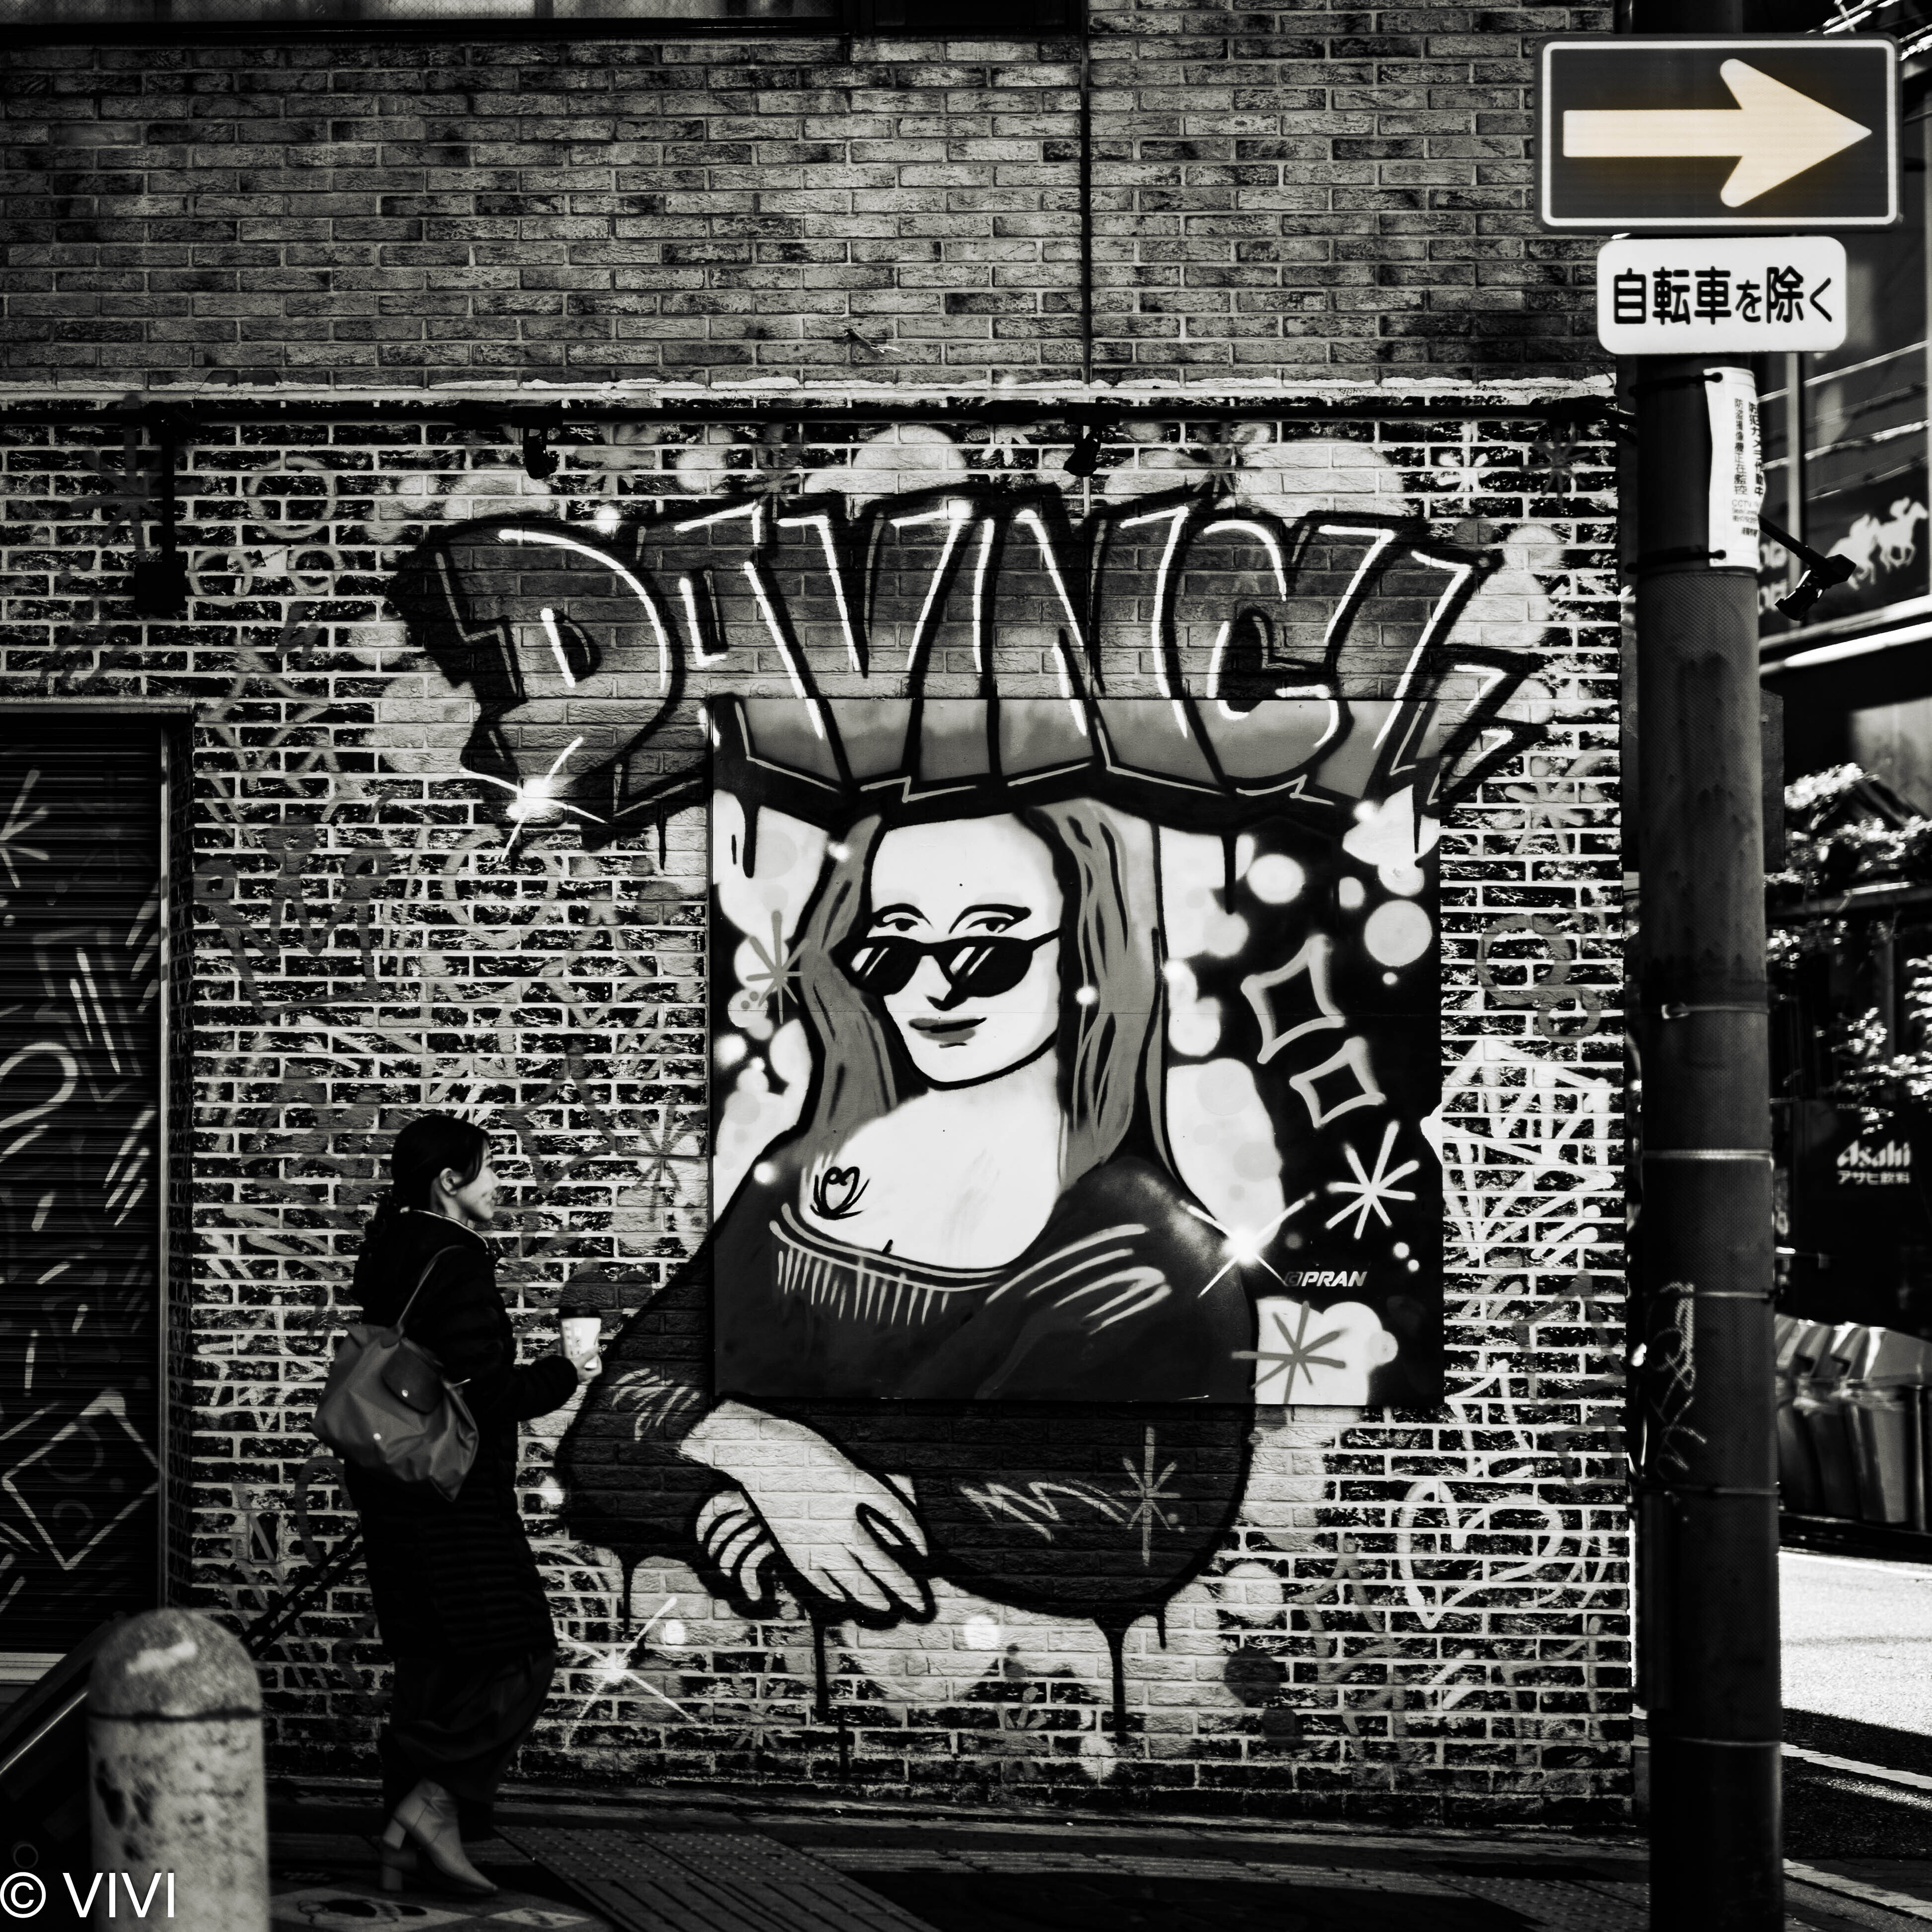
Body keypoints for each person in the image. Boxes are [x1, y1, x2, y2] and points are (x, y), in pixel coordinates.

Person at [563, 800, 1256, 1649]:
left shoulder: (1152, 1244)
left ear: (1085, 948)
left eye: (989, 950)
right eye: (893, 950)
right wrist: (761, 1457)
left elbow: (1143, 1524)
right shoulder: (803, 1173)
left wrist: (854, 1502)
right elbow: (619, 1418)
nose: (936, 987)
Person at [346, 1114, 598, 1898]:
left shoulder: (393, 1250)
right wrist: (568, 1372)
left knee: (434, 1664)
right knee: (520, 1654)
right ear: (447, 1181)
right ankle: (429, 1805)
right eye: (486, 1168)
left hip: (394, 1490)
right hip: (452, 1498)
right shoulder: (454, 1261)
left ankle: (408, 1841)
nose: (498, 1183)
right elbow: (486, 1395)